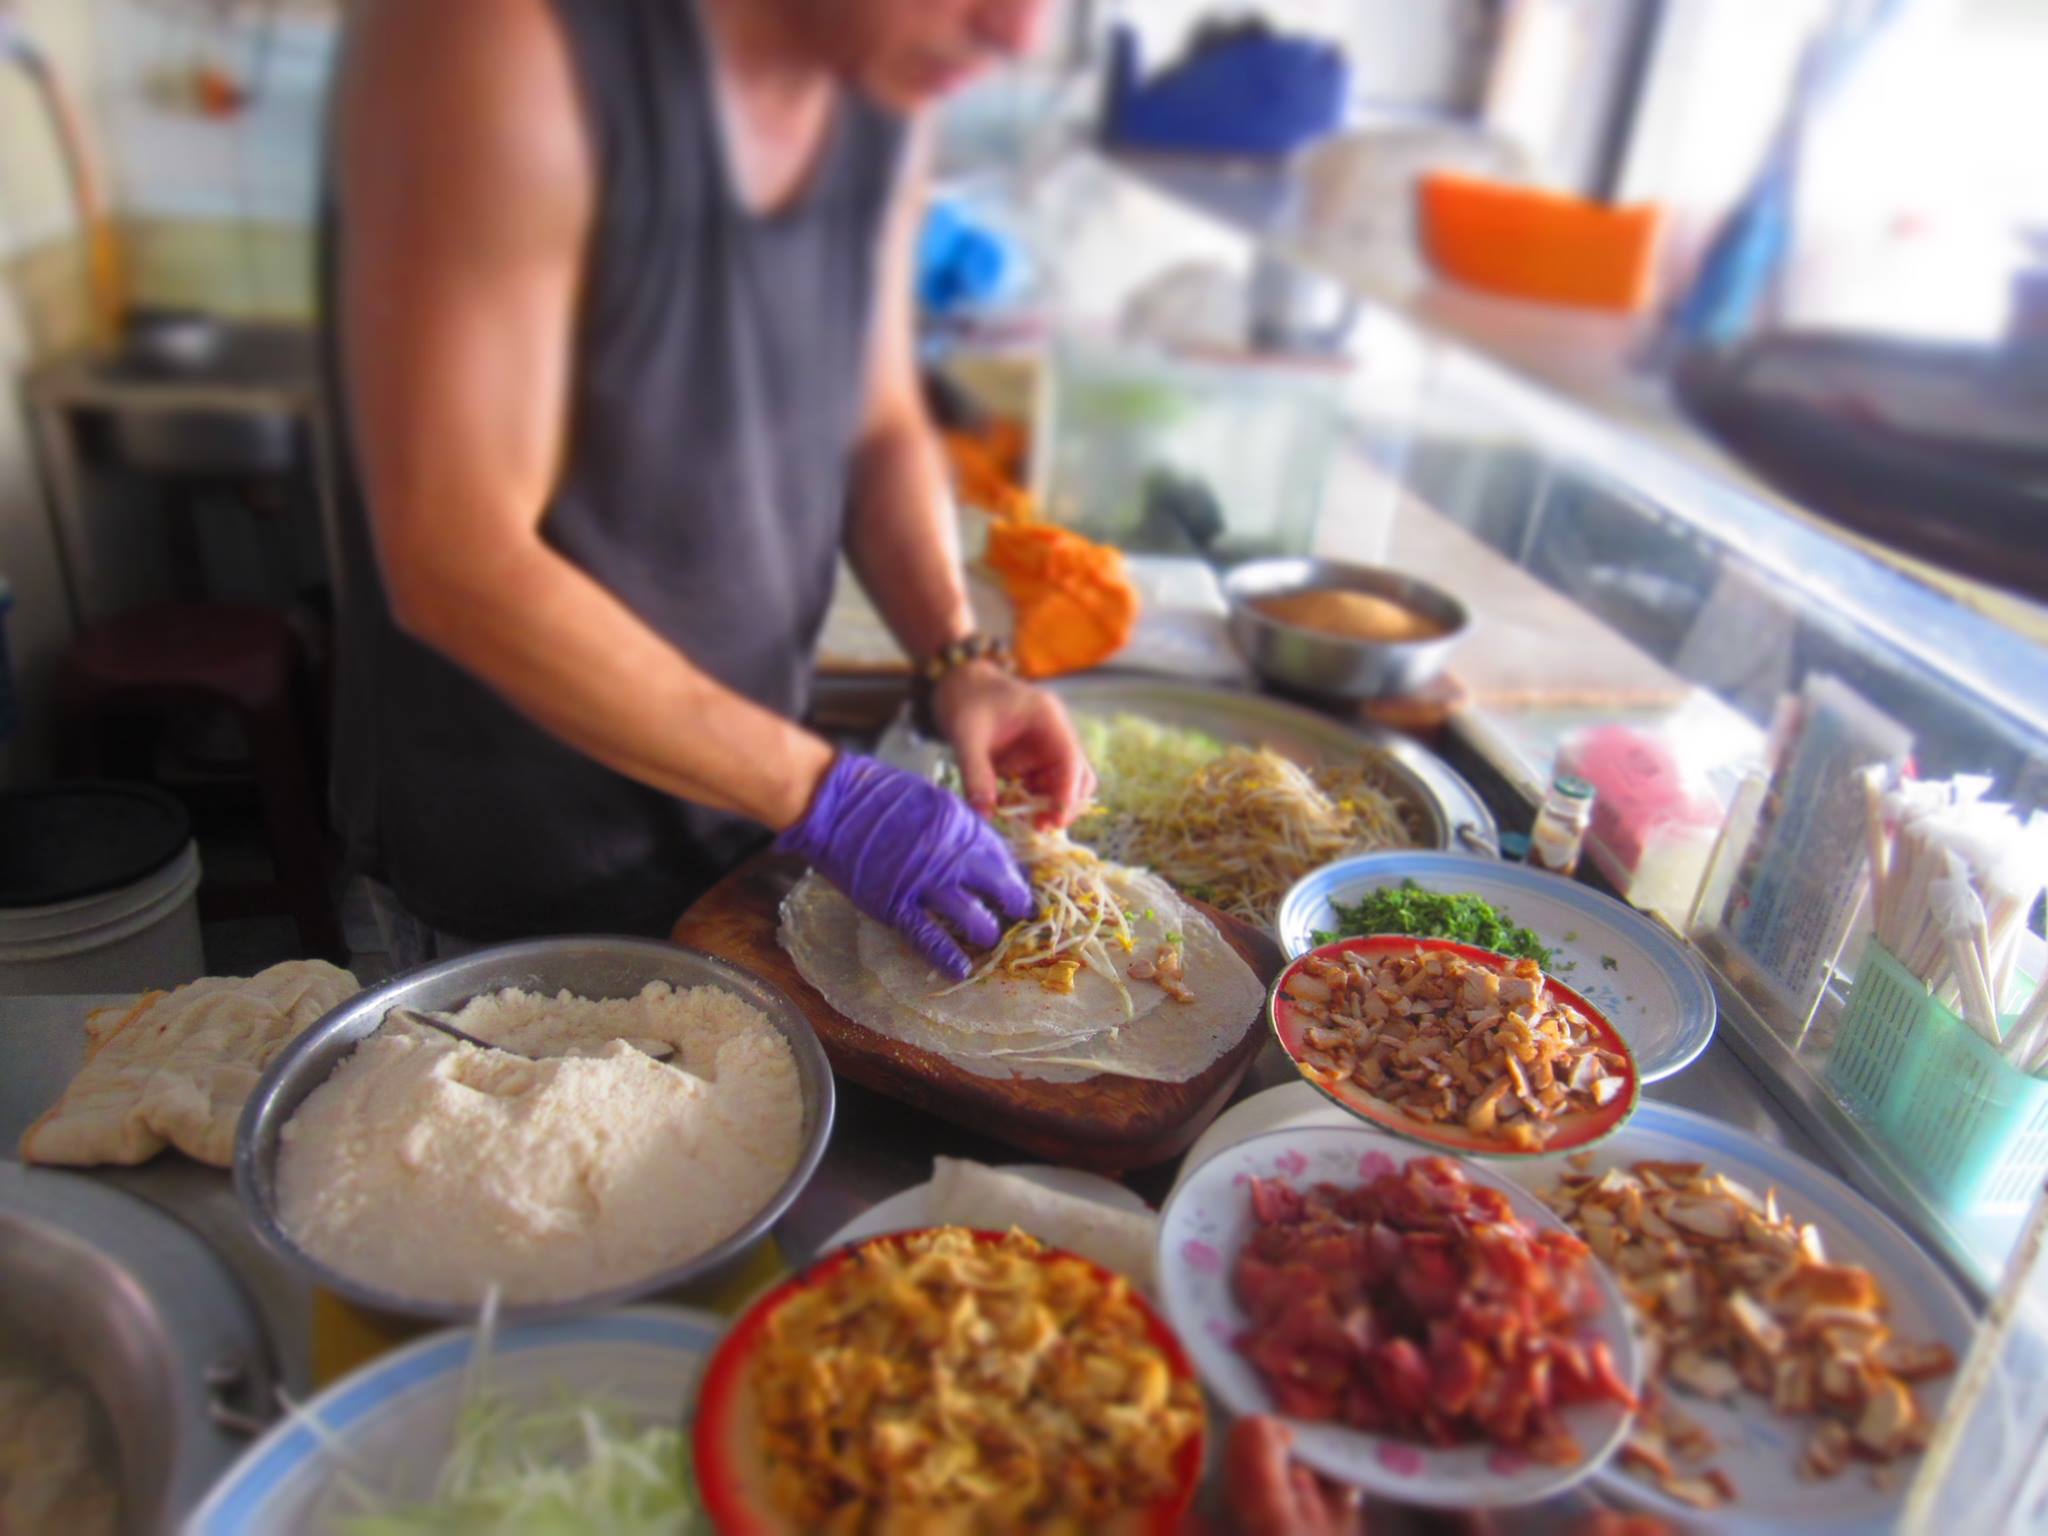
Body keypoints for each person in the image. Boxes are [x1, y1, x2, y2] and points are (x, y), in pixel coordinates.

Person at [324, 0, 1087, 969]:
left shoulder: (882, 73)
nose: (1017, 35)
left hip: (749, 825)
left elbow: (879, 417)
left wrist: (957, 658)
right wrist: (824, 794)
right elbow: (455, 555)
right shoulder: (502, 38)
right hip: (515, 874)